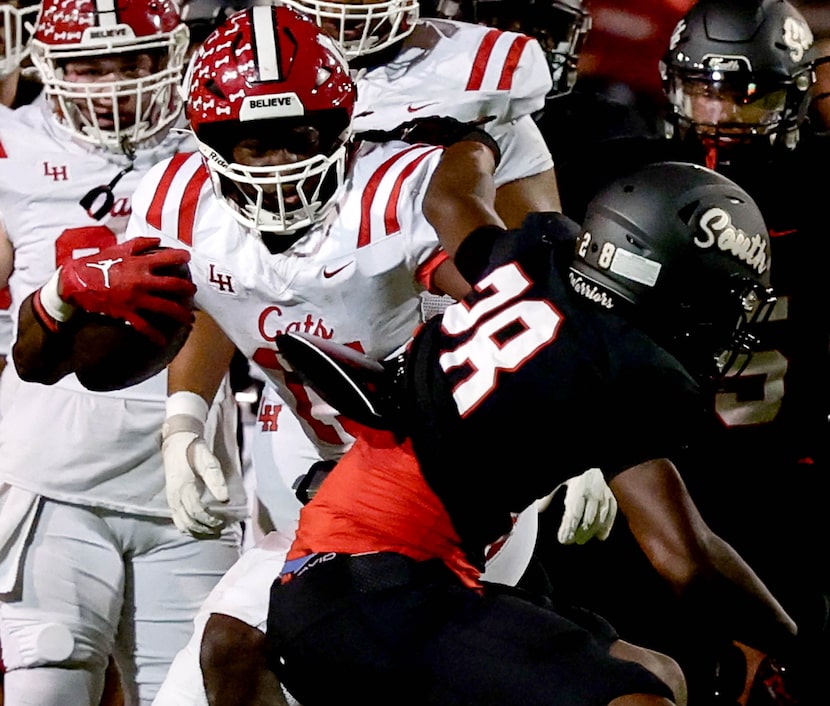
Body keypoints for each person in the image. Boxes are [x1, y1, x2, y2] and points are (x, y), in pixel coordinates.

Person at [141, 3, 616, 704]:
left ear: (342, 125)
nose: (279, 167)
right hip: (309, 451)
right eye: (253, 143)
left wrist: (581, 435)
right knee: (216, 667)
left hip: (444, 475)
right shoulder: (182, 202)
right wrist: (181, 419)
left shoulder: (404, 186)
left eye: (297, 136)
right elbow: (212, 295)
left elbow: (528, 294)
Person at [263, 153, 801, 706]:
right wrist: (796, 647)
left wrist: (470, 140)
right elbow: (686, 559)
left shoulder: (536, 259)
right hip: (374, 595)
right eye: (720, 301)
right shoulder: (631, 368)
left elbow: (448, 199)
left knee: (656, 672)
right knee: (637, 704)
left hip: (345, 581)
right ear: (672, 286)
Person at [536, 1, 830, 701]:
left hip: (775, 475)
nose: (722, 114)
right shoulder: (623, 177)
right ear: (673, 83)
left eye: (747, 97)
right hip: (648, 468)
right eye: (706, 90)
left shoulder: (815, 186)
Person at [0, 0, 248, 703]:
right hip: (48, 476)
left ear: (171, 52)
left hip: (188, 476)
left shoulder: (228, 140)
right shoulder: (8, 143)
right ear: (48, 64)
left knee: (187, 691)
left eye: (132, 60)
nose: (111, 84)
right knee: (45, 687)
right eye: (88, 64)